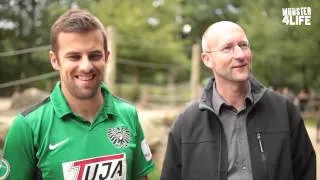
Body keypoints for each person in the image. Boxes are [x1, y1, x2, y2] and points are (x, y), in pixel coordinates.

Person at [3, 9, 155, 180]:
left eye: (94, 55)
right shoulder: (27, 127)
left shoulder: (128, 115)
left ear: (106, 56)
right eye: (74, 57)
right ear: (55, 60)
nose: (86, 66)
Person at [161, 21, 316, 180]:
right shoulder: (186, 123)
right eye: (227, 48)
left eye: (243, 45)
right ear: (207, 59)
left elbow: (306, 171)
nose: (240, 55)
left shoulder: (284, 111)